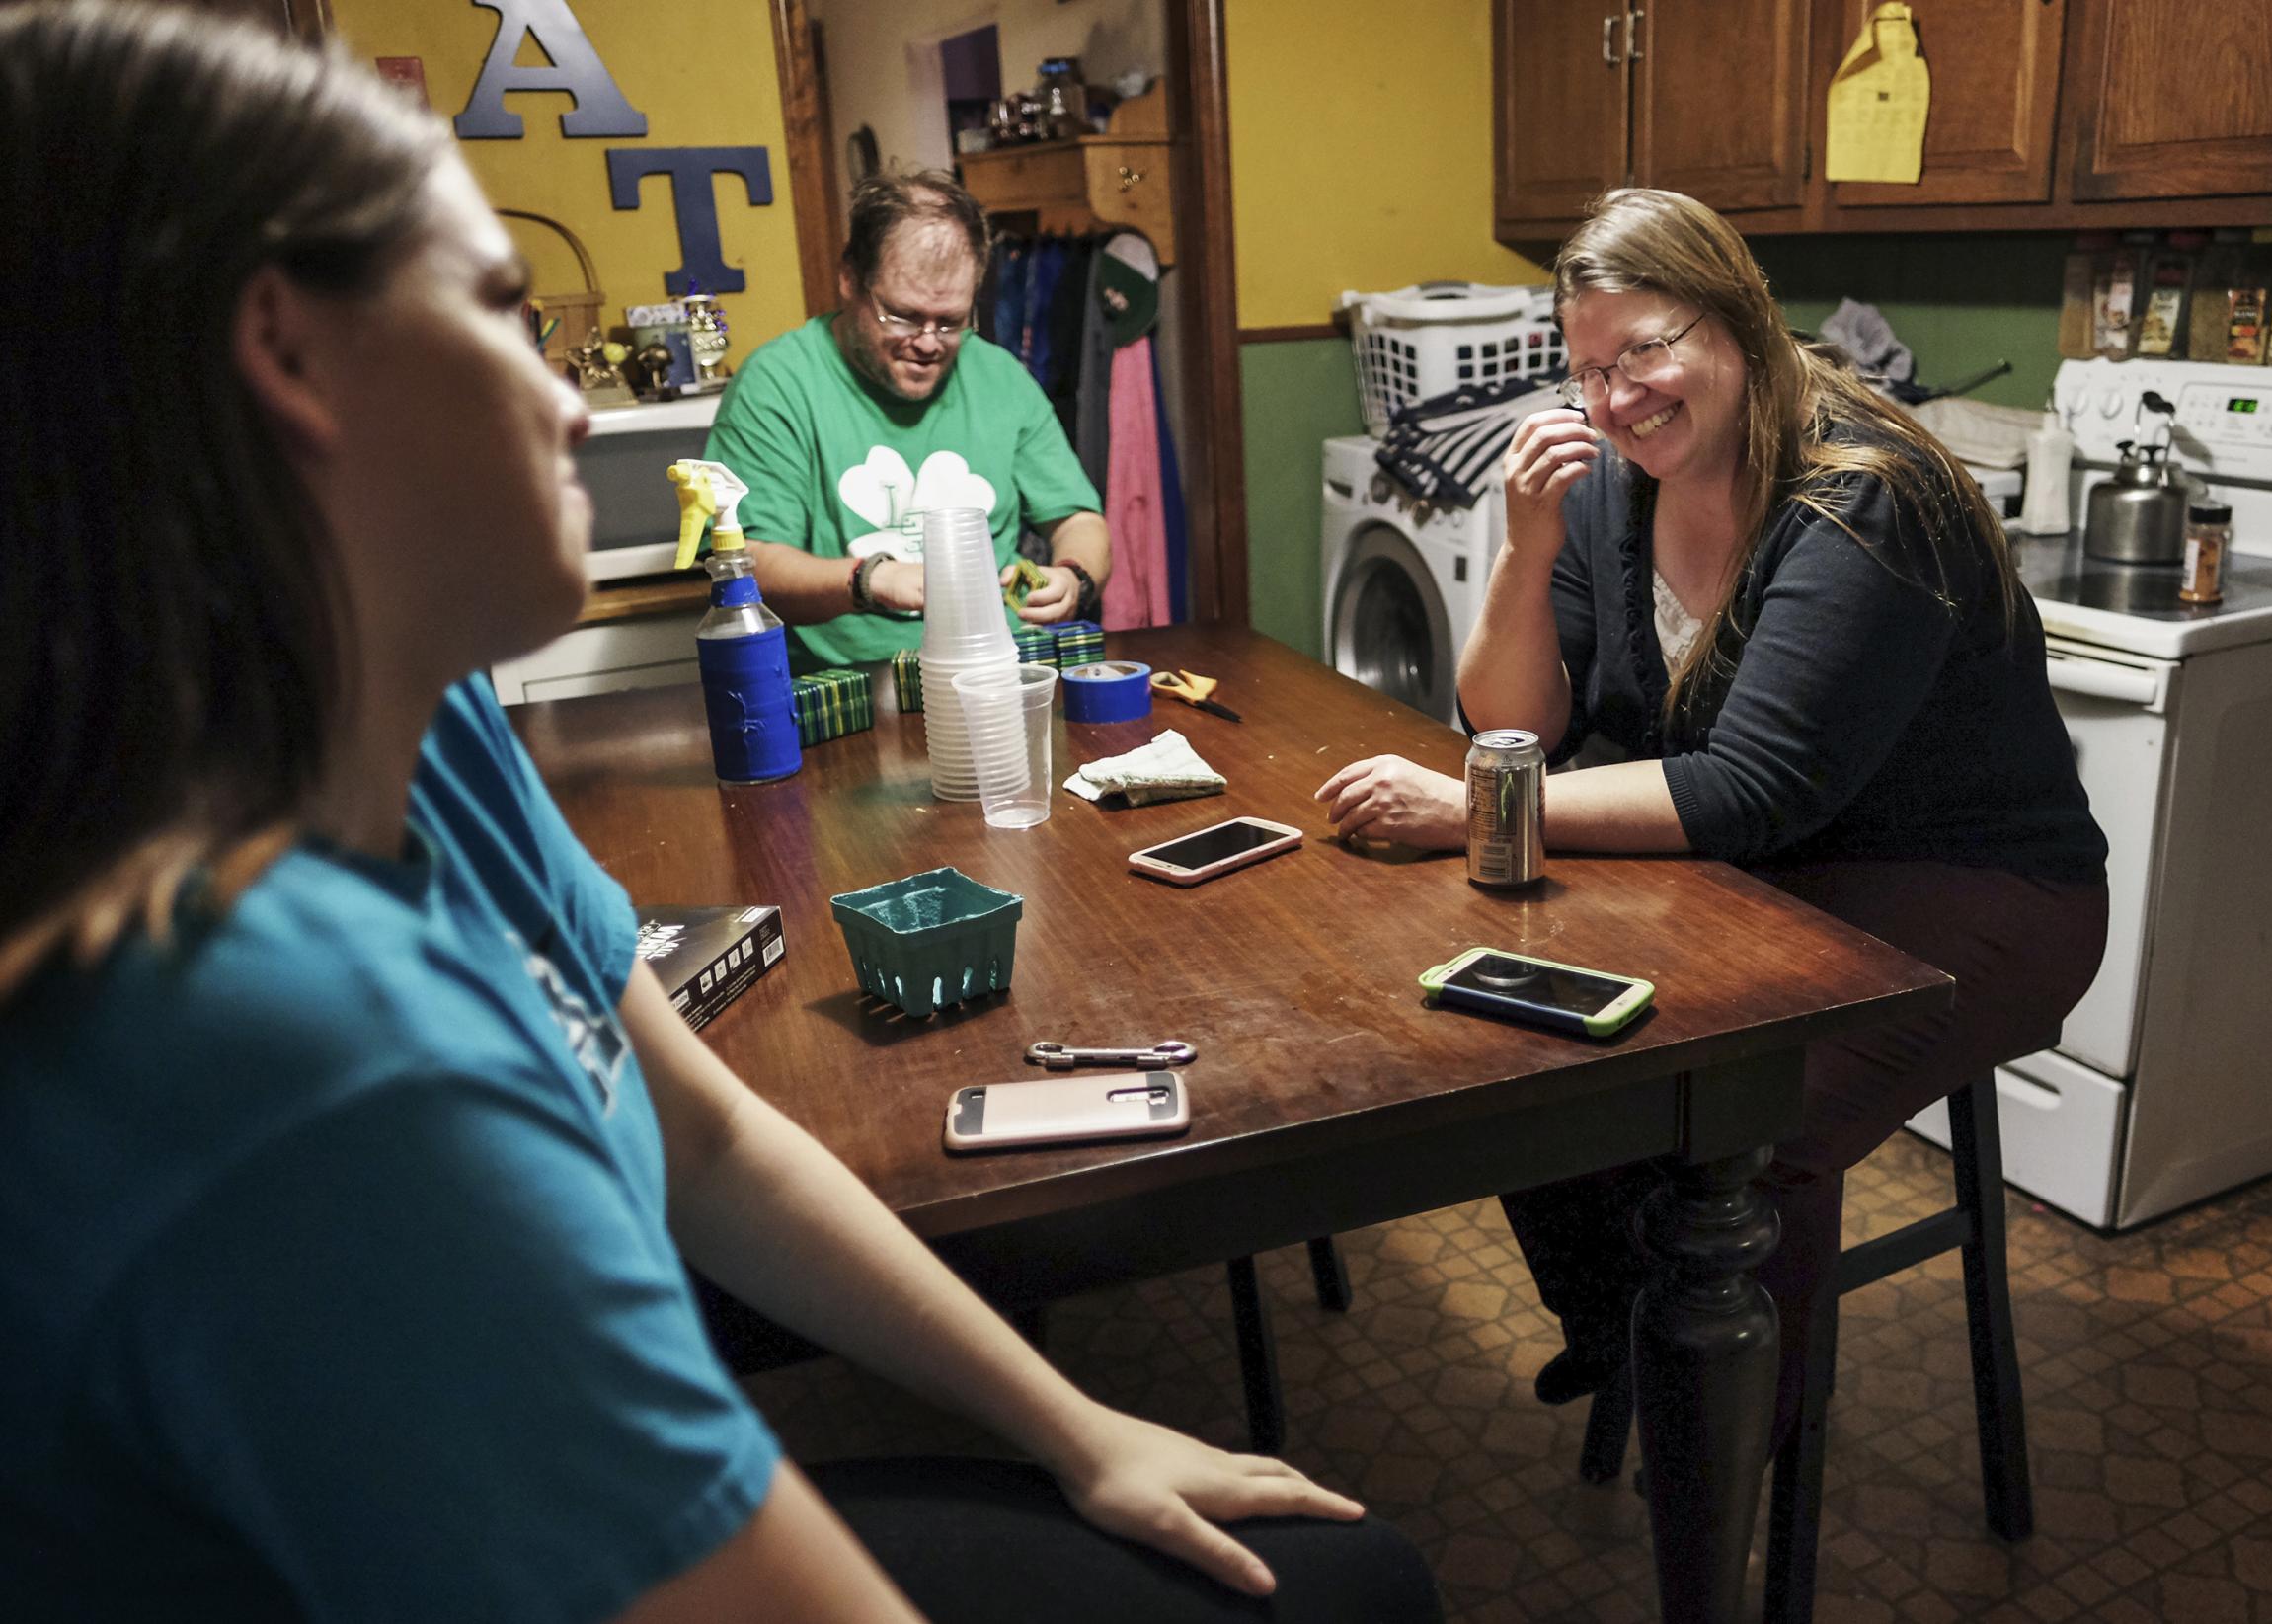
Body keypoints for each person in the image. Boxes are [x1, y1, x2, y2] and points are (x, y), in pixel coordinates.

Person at [0, 10, 1439, 1622]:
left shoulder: (450, 736)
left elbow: (700, 1130)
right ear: (287, 356)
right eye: (497, 310)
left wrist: (1081, 1426)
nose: (565, 397)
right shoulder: (295, 1062)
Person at [1314, 188, 2107, 1438]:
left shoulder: (1863, 494)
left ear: (1737, 322)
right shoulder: (1606, 487)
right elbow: (1511, 725)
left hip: (1975, 890)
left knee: (1740, 1128)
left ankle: (1736, 1438)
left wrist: (1477, 810)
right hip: (1775, 872)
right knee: (1515, 1025)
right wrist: (1524, 542)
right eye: (1586, 369)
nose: (1617, 397)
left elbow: (1749, 787)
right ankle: (1641, 1334)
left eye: (1644, 349)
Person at [704, 171, 1109, 675]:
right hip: (850, 685)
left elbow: (1080, 521)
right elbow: (746, 564)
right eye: (902, 315)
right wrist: (867, 580)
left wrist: (1073, 577)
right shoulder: (777, 383)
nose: (928, 342)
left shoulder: (999, 376)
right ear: (850, 280)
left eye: (952, 321)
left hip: (997, 673)